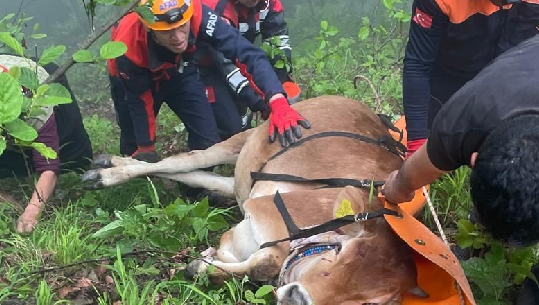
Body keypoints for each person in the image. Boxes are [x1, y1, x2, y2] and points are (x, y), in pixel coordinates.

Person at [383, 25, 539, 305]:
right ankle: (483, 232)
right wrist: (396, 189)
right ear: (474, 159)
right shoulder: (465, 117)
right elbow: (413, 172)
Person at [107, 0, 309, 162]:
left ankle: (196, 192)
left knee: (208, 142)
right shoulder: (128, 42)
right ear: (151, 29)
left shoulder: (197, 12)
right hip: (135, 77)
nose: (177, 37)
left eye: (182, 27)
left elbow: (246, 53)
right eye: (167, 31)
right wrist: (146, 145)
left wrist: (276, 99)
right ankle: (133, 183)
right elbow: (139, 97)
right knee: (135, 144)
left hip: (181, 69)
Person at [403, 0, 539, 158]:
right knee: (439, 146)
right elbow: (418, 65)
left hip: (517, 74)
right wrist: (416, 143)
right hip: (449, 77)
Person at [0, 55, 93, 234]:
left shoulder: (34, 109)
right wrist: (8, 200)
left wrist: (31, 212)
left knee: (73, 149)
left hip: (43, 80)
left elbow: (48, 166)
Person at [195, 0, 297, 139]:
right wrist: (259, 101)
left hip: (242, 54)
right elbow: (225, 64)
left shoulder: (270, 3)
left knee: (264, 98)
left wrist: (283, 79)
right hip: (204, 65)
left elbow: (277, 38)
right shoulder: (215, 6)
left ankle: (242, 123)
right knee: (230, 130)